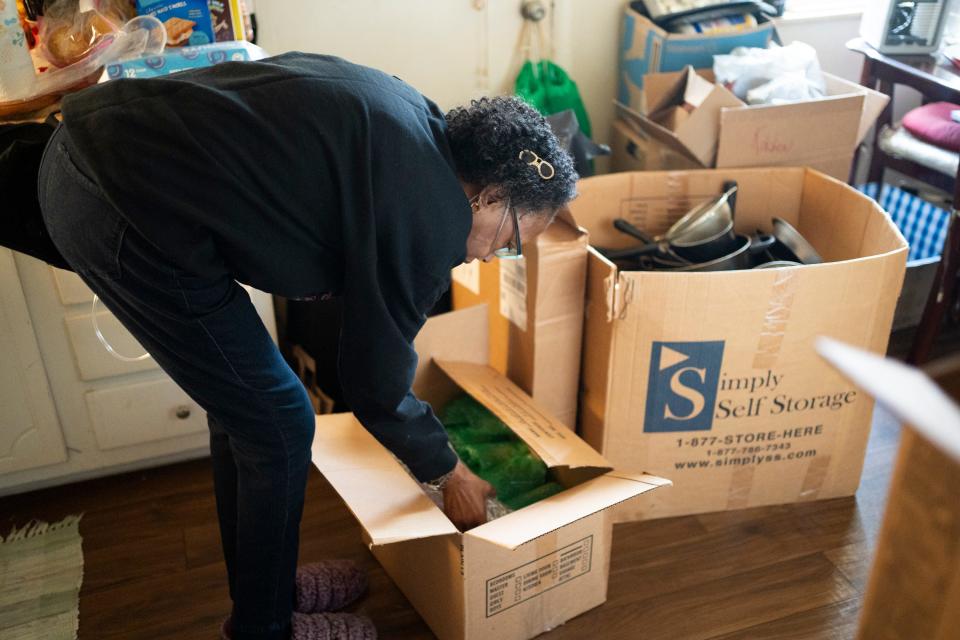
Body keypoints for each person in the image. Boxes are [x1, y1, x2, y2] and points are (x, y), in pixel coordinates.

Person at [37, 52, 577, 640]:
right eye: (512, 241)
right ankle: (265, 629)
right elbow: (375, 383)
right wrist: (449, 472)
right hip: (127, 212)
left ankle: (267, 593)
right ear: (491, 198)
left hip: (84, 156)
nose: (493, 256)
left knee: (246, 410)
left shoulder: (418, 124)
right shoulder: (432, 214)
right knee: (278, 422)